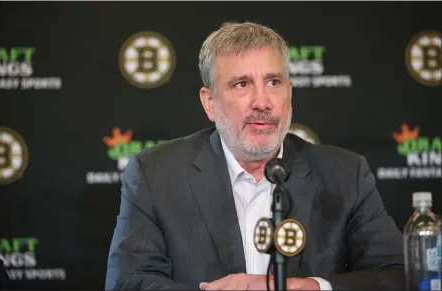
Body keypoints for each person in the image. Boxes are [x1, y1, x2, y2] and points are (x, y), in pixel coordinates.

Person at [105, 21, 404, 290]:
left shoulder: (345, 174)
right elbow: (129, 282)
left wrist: (310, 288)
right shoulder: (155, 174)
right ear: (209, 102)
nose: (262, 102)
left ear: (289, 92)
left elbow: (396, 274)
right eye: (242, 84)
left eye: (273, 82)